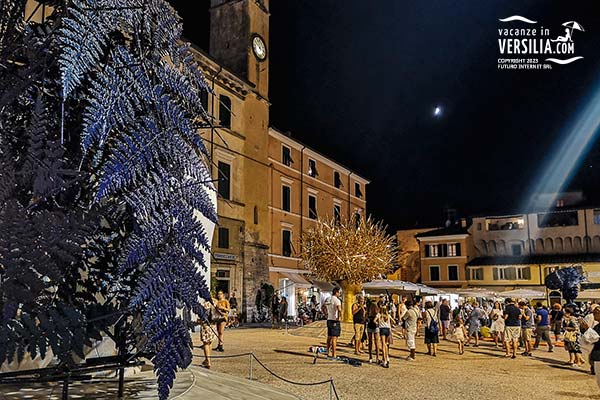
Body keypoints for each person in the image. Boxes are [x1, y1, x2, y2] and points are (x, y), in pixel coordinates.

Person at [580, 305, 600, 376]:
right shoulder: (597, 326)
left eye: (595, 313)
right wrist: (584, 329)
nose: (593, 315)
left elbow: (596, 338)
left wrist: (587, 329)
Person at [198, 300, 216, 368]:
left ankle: (208, 360)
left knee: (206, 343)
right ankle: (207, 359)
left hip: (205, 325)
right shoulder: (213, 302)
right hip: (213, 324)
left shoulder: (203, 304)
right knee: (210, 342)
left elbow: (201, 315)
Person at [326, 287, 342, 358]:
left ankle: (328, 351)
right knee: (334, 338)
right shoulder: (337, 300)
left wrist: (325, 314)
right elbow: (339, 310)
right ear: (336, 292)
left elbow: (323, 307)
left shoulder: (328, 299)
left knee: (329, 336)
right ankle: (334, 354)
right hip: (334, 320)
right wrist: (339, 317)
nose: (340, 294)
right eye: (339, 292)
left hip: (329, 319)